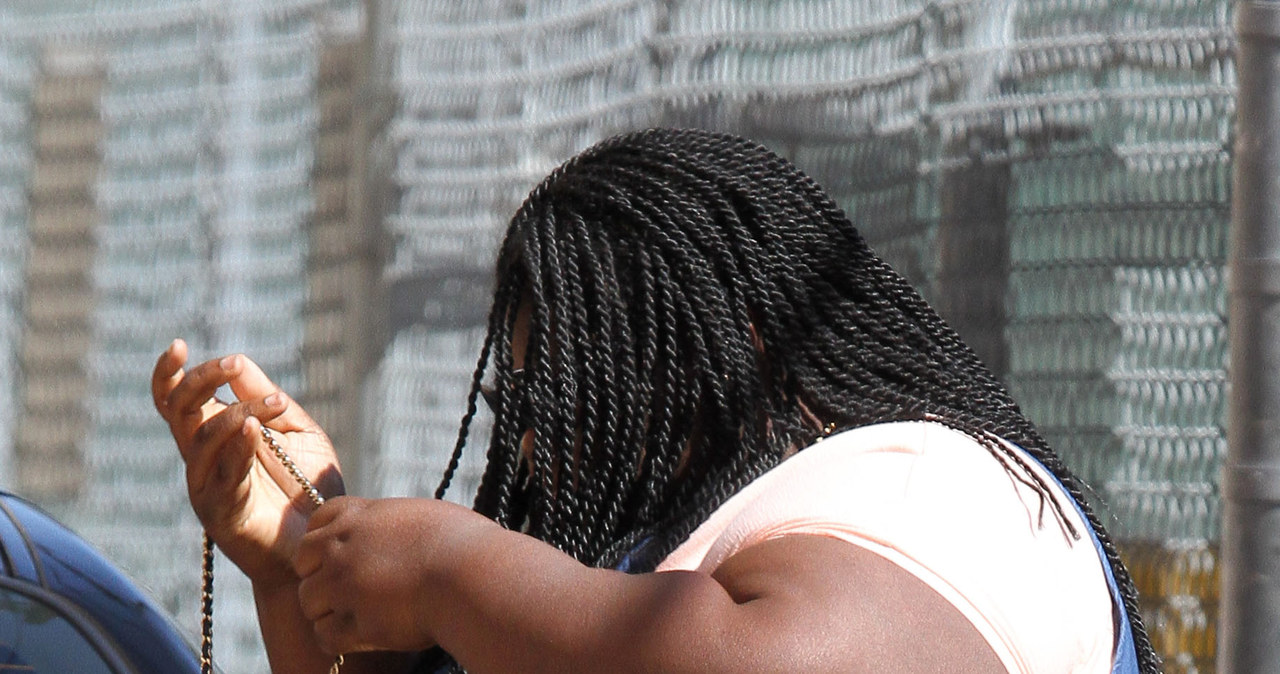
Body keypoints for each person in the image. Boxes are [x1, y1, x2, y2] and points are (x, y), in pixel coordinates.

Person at [153, 128, 1156, 673]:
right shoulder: (711, 545)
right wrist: (299, 568)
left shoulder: (924, 482)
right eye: (523, 416)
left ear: (737, 346)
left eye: (580, 399)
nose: (540, 449)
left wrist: (449, 569)